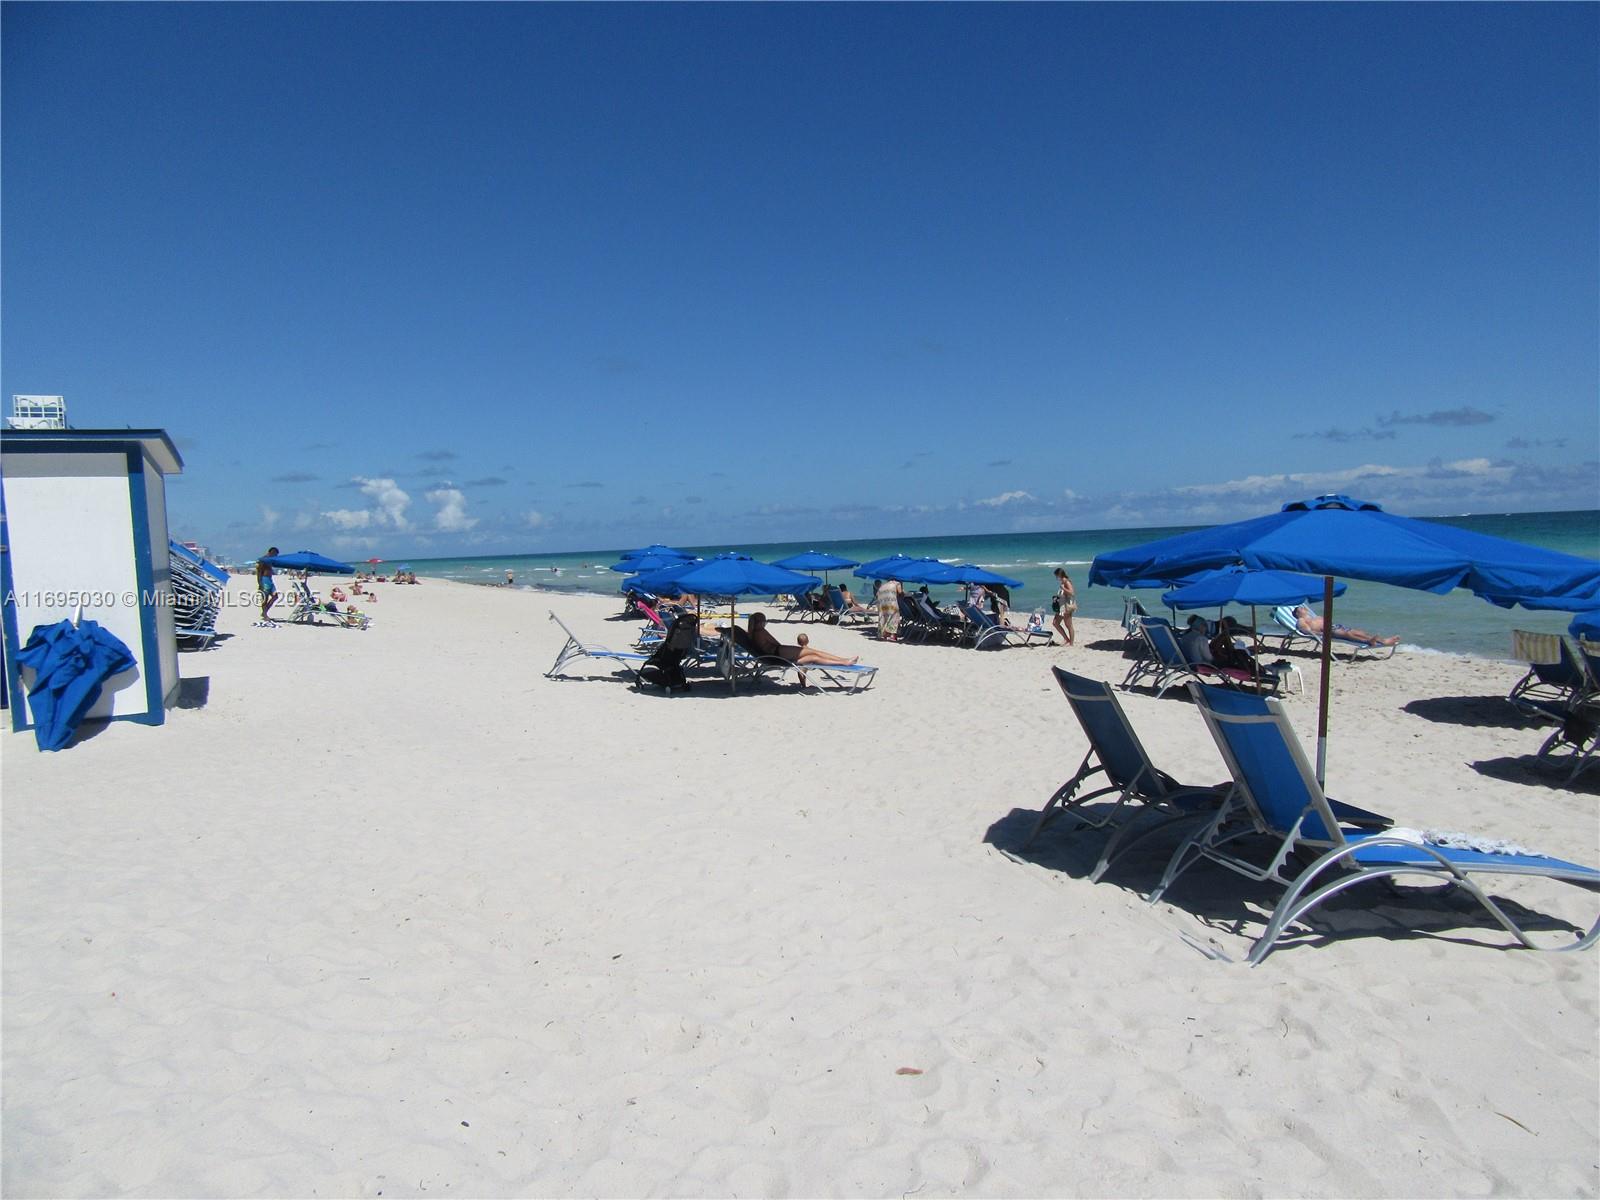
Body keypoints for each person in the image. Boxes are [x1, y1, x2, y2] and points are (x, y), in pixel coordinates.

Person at [739, 612, 860, 668]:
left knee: (814, 658)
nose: (765, 623)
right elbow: (776, 643)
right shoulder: (761, 632)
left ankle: (843, 662)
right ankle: (843, 660)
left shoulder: (752, 634)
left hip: (774, 656)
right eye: (764, 620)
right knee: (815, 652)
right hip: (779, 653)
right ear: (760, 622)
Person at [1291, 605, 1399, 647]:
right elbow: (1307, 631)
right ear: (1297, 614)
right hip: (1328, 632)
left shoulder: (1314, 617)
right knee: (1348, 634)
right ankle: (1368, 641)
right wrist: (1322, 634)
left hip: (1335, 627)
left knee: (1360, 632)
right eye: (1301, 608)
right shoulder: (1301, 620)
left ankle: (1383, 641)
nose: (1303, 608)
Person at [1051, 568, 1077, 646]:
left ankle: (1071, 643)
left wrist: (1063, 588)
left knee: (1068, 625)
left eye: (1056, 575)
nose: (1056, 577)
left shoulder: (1066, 582)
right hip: (1061, 606)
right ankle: (1067, 639)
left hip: (1066, 606)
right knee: (1055, 623)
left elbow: (1072, 593)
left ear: (1059, 574)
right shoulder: (1062, 582)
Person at [255, 547, 279, 626]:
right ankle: (265, 615)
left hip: (270, 580)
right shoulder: (263, 560)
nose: (276, 556)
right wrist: (260, 583)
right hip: (264, 580)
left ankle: (264, 612)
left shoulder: (270, 560)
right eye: (275, 554)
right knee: (265, 598)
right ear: (270, 552)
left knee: (275, 596)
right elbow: (259, 572)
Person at [875, 577, 902, 641]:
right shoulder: (897, 583)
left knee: (884, 617)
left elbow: (877, 594)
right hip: (891, 602)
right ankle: (892, 635)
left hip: (882, 603)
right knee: (894, 617)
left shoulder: (883, 585)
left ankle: (884, 634)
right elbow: (900, 592)